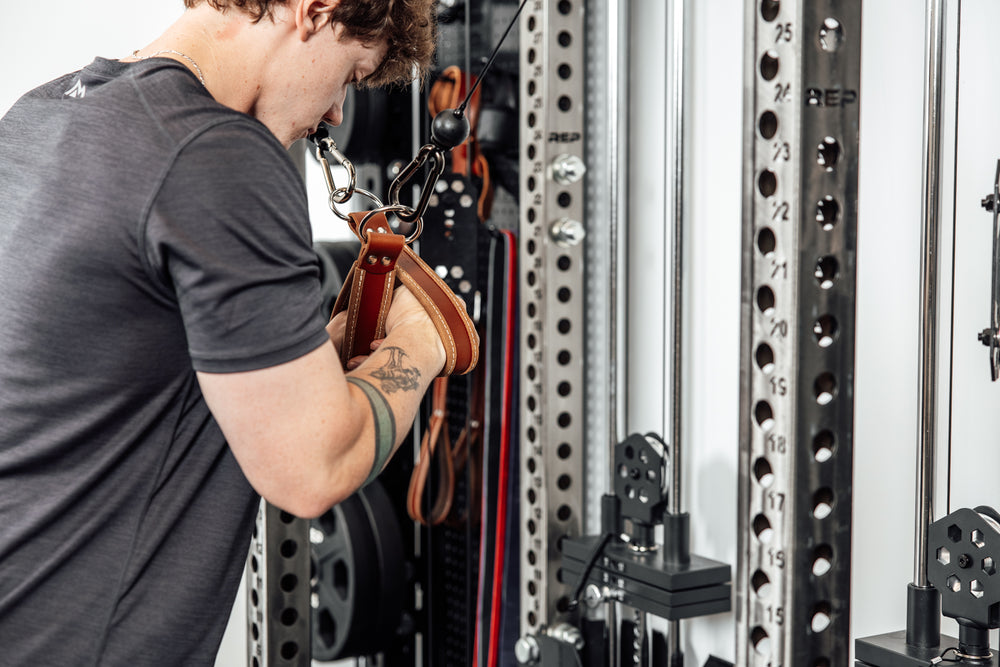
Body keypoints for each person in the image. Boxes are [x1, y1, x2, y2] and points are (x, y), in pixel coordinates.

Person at [0, 0, 441, 664]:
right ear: (314, 10)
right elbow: (312, 470)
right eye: (350, 75)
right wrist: (420, 341)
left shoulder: (41, 113)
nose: (335, 116)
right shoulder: (219, 156)